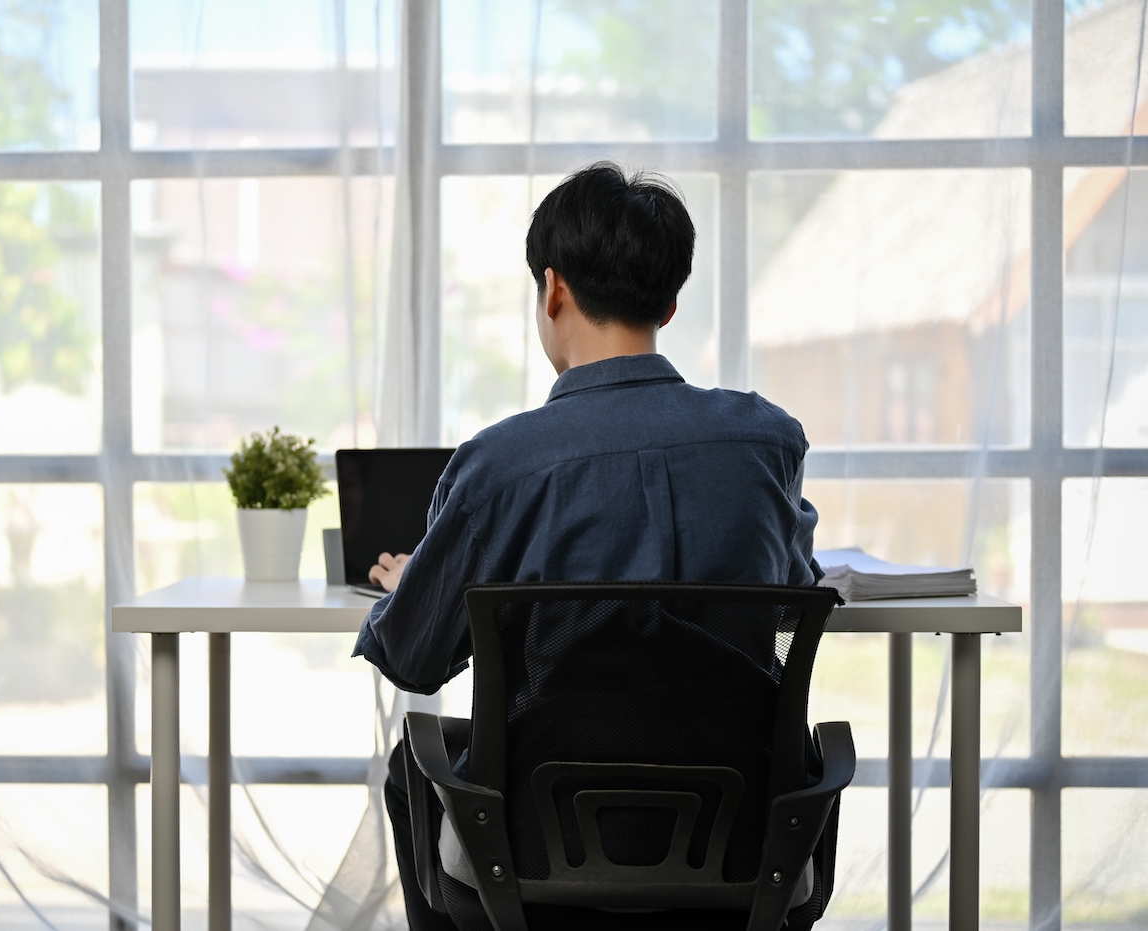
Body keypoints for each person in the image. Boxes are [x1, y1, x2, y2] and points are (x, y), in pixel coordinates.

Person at [352, 162, 822, 930]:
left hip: (538, 847)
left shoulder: (501, 463)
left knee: (417, 763)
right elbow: (787, 591)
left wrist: (418, 584)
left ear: (554, 288)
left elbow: (412, 657)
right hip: (739, 840)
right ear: (670, 303)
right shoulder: (765, 441)